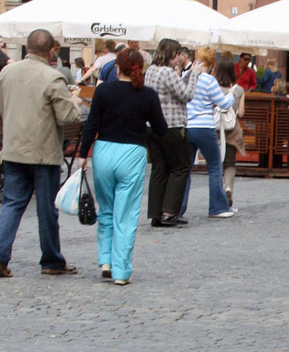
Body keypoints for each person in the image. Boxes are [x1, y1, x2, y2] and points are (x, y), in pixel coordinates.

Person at [0, 28, 82, 278]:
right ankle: (51, 259)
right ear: (51, 51)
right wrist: (75, 104)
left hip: (14, 149)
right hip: (43, 152)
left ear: (27, 48)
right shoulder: (52, 77)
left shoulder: (7, 72)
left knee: (12, 204)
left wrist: (1, 139)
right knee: (46, 209)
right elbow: (67, 117)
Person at [77, 48, 167, 284]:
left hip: (103, 151)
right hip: (132, 153)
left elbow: (91, 123)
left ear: (117, 67)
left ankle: (105, 260)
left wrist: (81, 154)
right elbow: (161, 129)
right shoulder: (147, 94)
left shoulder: (104, 90)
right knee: (125, 214)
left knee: (106, 208)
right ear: (141, 69)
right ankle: (121, 270)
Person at [145, 39, 198, 227]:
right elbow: (186, 95)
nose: (179, 58)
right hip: (172, 125)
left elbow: (174, 89)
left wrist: (185, 75)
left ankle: (155, 213)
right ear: (172, 54)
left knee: (159, 168)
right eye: (177, 54)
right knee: (180, 167)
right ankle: (169, 212)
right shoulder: (167, 72)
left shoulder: (151, 70)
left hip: (152, 126)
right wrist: (194, 75)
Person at [183, 46, 236, 218]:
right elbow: (223, 103)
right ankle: (217, 207)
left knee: (185, 169)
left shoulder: (186, 76)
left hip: (187, 126)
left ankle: (178, 207)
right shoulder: (208, 80)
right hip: (204, 126)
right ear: (213, 63)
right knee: (214, 166)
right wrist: (232, 95)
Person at [214, 56, 247, 208]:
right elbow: (240, 113)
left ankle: (218, 193)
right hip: (232, 130)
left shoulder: (213, 87)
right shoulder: (239, 90)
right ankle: (229, 188)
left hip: (215, 129)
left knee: (216, 163)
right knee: (230, 162)